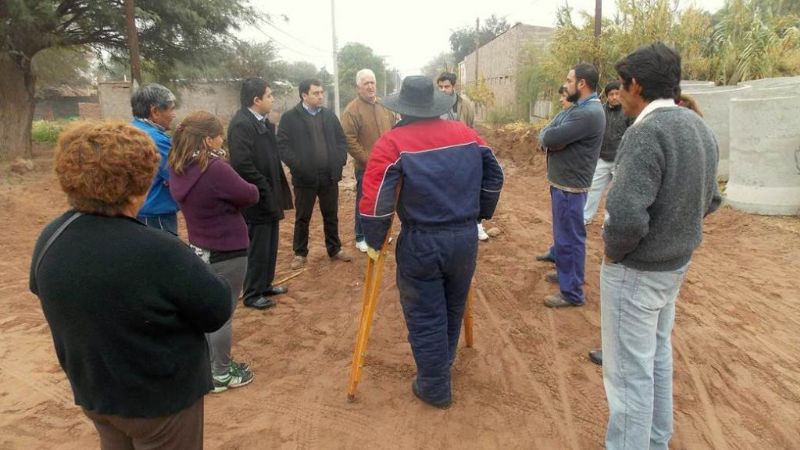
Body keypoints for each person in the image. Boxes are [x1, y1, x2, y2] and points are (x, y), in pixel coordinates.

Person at [30, 121, 232, 450]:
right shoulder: (158, 249)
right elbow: (216, 309)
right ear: (138, 180)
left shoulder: (51, 236)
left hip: (97, 395)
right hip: (160, 403)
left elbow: (46, 289)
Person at [601, 42, 722, 449]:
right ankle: (655, 440)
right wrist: (676, 230)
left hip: (637, 271)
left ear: (636, 85)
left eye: (622, 86)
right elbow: (712, 200)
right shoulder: (698, 126)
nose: (621, 95)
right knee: (655, 356)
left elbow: (627, 215)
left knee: (628, 375)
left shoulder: (646, 133)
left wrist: (614, 251)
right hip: (674, 267)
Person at [359, 76, 504, 408]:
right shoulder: (467, 135)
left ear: (402, 109)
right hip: (464, 238)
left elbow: (376, 199)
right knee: (452, 305)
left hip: (423, 240)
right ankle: (442, 366)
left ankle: (435, 385)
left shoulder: (392, 143)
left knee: (426, 312)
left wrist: (375, 240)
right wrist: (481, 212)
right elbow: (495, 174)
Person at [169, 111, 258, 392]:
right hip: (228, 249)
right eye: (219, 134)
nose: (223, 138)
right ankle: (220, 373)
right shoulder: (215, 168)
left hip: (200, 247)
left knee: (207, 308)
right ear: (208, 139)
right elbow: (250, 194)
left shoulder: (177, 166)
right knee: (223, 313)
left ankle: (209, 365)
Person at [538, 63, 606, 307]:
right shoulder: (580, 109)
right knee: (564, 235)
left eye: (568, 81)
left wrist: (550, 138)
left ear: (581, 84)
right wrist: (549, 137)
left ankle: (572, 292)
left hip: (571, 187)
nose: (565, 86)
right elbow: (549, 134)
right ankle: (567, 274)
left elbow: (550, 137)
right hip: (565, 184)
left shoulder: (586, 113)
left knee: (570, 238)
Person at [229, 78, 294, 310]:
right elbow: (242, 164)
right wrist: (263, 187)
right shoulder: (241, 125)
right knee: (258, 245)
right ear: (256, 100)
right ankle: (252, 292)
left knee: (270, 242)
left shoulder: (261, 122)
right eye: (268, 95)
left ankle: (265, 284)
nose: (272, 98)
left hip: (268, 192)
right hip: (256, 196)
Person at [278, 79, 352, 270]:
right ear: (304, 95)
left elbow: (341, 141)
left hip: (328, 176)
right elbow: (283, 146)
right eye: (316, 93)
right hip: (305, 178)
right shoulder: (290, 118)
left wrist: (339, 161)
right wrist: (298, 166)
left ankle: (334, 249)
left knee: (331, 214)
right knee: (303, 216)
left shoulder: (328, 116)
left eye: (321, 92)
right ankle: (300, 252)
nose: (321, 96)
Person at [341, 69, 396, 253]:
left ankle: (380, 233)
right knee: (364, 202)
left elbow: (394, 131)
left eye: (372, 82)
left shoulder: (384, 106)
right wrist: (369, 160)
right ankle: (361, 236)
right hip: (366, 167)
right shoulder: (351, 111)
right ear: (358, 87)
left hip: (388, 166)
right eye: (366, 83)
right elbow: (349, 140)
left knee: (384, 201)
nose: (371, 86)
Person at [437, 72, 490, 241]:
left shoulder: (465, 104)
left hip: (462, 154)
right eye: (440, 87)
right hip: (441, 155)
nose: (443, 90)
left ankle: (477, 224)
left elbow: (471, 127)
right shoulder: (433, 105)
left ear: (454, 86)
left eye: (446, 86)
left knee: (469, 190)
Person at [130, 83, 180, 234]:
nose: (174, 114)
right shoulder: (157, 140)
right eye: (171, 109)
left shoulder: (131, 130)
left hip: (135, 210)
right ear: (155, 111)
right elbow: (178, 174)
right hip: (156, 215)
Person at [536, 84, 575, 264]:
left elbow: (554, 140)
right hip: (557, 177)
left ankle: (567, 267)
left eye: (564, 96)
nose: (560, 99)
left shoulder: (576, 119)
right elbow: (545, 134)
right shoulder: (561, 115)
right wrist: (548, 139)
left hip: (569, 180)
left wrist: (549, 140)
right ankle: (556, 252)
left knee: (568, 225)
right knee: (559, 222)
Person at [583, 81, 631, 225]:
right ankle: (585, 218)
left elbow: (633, 132)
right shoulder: (600, 111)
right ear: (607, 96)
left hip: (620, 161)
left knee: (614, 195)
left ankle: (609, 224)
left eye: (617, 94)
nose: (615, 97)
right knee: (593, 190)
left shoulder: (628, 112)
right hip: (602, 158)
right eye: (611, 94)